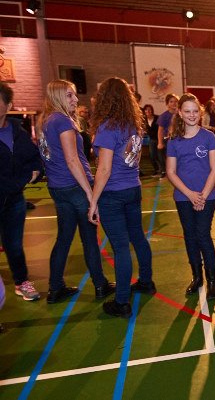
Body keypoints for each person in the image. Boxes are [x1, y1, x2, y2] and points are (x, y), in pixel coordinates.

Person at [37, 80, 114, 304]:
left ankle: (55, 287)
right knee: (89, 238)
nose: (76, 99)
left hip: (58, 187)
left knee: (64, 238)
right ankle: (100, 284)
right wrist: (90, 194)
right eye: (70, 95)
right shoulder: (62, 121)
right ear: (58, 97)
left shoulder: (46, 121)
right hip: (74, 186)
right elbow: (72, 161)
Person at [88, 77, 155, 318]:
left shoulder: (108, 127)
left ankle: (122, 301)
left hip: (113, 193)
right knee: (137, 237)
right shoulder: (132, 125)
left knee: (120, 246)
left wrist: (93, 201)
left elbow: (104, 169)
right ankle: (146, 281)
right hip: (132, 189)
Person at [166, 93, 215, 298]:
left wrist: (202, 196)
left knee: (203, 235)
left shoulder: (208, 137)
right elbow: (171, 172)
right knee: (190, 236)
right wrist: (190, 195)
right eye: (187, 111)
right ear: (180, 113)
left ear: (200, 112)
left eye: (195, 111)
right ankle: (197, 277)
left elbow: (214, 169)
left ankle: (212, 279)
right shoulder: (174, 140)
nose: (191, 115)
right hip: (183, 197)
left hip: (207, 196)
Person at [0, 82, 43, 302]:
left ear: (8, 106)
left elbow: (33, 157)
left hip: (14, 200)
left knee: (14, 246)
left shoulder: (17, 131)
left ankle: (21, 282)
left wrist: (35, 171)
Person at [156, 93, 178, 179]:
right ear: (167, 104)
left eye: (175, 101)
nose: (174, 103)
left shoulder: (181, 114)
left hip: (179, 139)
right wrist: (160, 142)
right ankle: (166, 172)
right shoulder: (164, 116)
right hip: (168, 140)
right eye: (171, 101)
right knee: (169, 158)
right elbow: (160, 130)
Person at [143, 104, 161, 176]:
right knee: (152, 156)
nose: (148, 111)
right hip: (152, 140)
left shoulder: (158, 118)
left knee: (160, 156)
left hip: (159, 139)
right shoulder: (144, 120)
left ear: (152, 110)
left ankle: (163, 171)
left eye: (149, 109)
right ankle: (156, 170)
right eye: (146, 110)